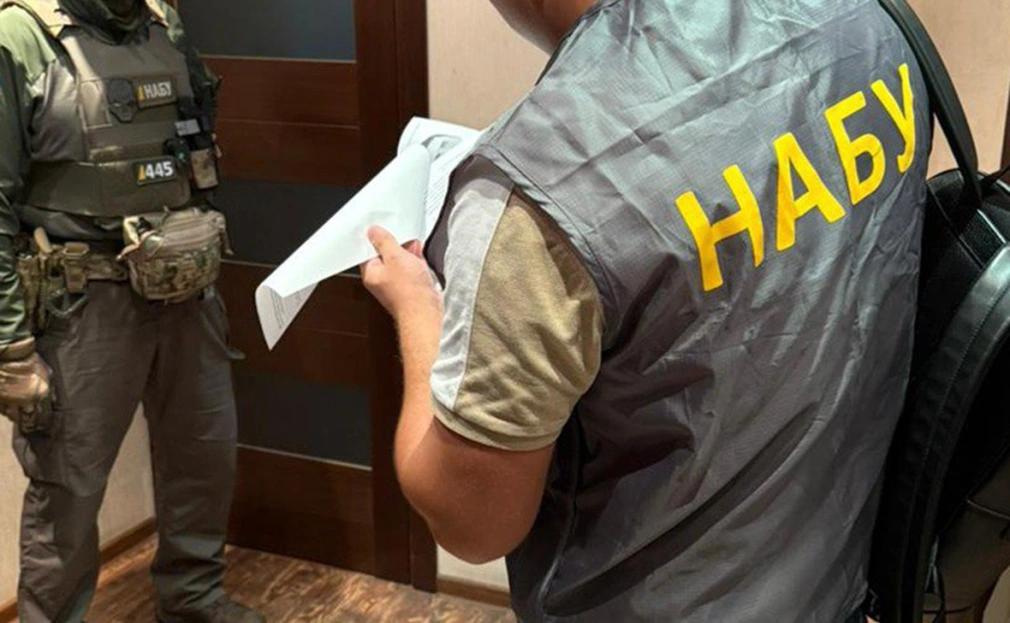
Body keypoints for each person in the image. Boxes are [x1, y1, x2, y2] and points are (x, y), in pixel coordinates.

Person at [361, 0, 931, 621]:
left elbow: (471, 519)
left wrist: (417, 306)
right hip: (835, 577)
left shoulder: (539, 198)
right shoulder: (865, 22)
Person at [0, 1, 262, 621]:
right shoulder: (20, 37)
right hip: (83, 304)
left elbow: (193, 141)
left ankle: (193, 599)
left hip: (185, 291)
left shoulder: (161, 22)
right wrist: (11, 347)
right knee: (68, 490)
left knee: (203, 458)